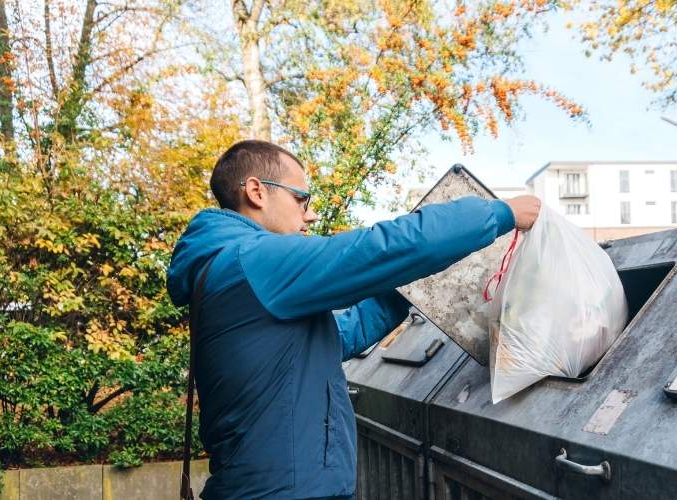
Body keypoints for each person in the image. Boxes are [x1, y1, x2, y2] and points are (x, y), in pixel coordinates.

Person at [167, 140, 540, 498]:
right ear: (256, 192)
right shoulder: (252, 259)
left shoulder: (227, 267)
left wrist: (402, 288)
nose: (310, 214)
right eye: (301, 199)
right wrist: (500, 214)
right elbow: (380, 248)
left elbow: (335, 337)